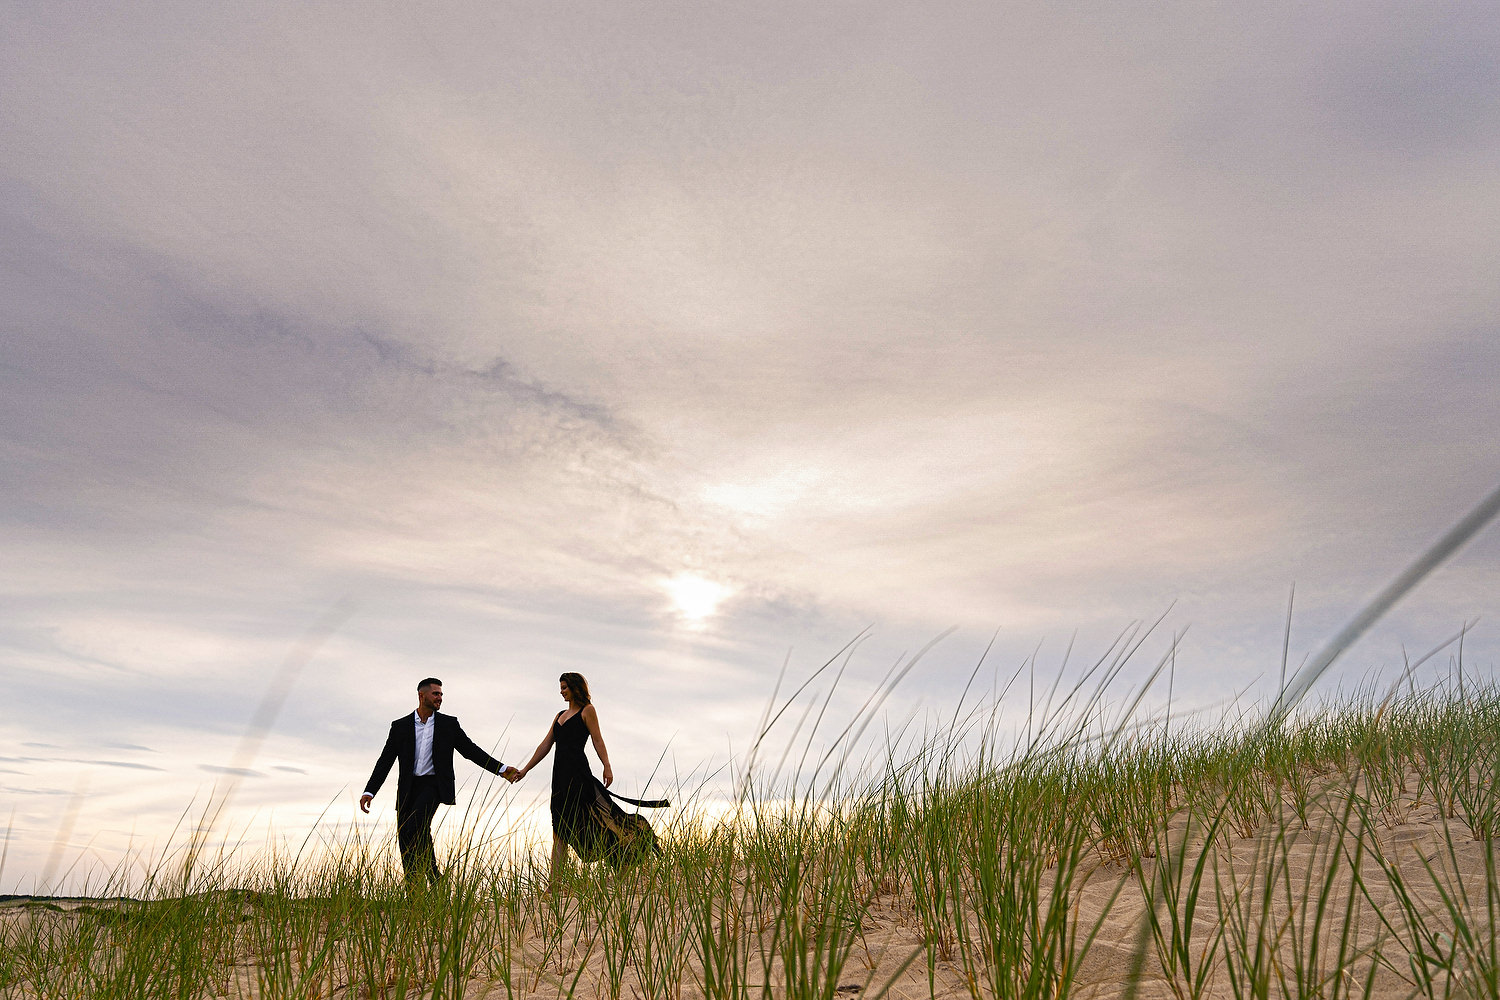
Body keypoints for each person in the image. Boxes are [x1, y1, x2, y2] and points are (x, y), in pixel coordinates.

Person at [360, 677, 519, 884]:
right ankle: (418, 890)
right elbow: (385, 761)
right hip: (408, 789)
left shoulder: (448, 724)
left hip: (433, 786)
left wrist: (502, 769)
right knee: (406, 836)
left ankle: (434, 876)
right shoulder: (400, 726)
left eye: (441, 694)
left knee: (413, 827)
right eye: (436, 694)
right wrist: (369, 791)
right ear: (421, 695)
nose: (440, 698)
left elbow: (470, 751)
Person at [515, 672, 655, 882]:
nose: (561, 691)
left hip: (579, 776)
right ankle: (555, 884)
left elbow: (598, 740)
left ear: (575, 687)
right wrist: (525, 770)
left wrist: (606, 765)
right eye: (560, 687)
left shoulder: (587, 711)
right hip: (559, 779)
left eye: (564, 687)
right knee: (559, 830)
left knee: (599, 820)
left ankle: (624, 861)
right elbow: (545, 745)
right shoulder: (559, 715)